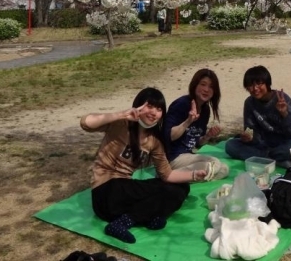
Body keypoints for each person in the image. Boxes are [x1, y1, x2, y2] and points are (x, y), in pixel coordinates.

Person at [80, 87, 207, 244]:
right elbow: (85, 122)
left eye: (159, 109)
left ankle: (135, 218)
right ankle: (131, 221)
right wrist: (120, 114)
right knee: (159, 189)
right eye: (150, 106)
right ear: (138, 105)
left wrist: (196, 175)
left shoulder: (153, 141)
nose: (153, 112)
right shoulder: (120, 124)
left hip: (122, 201)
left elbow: (167, 175)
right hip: (105, 192)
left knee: (182, 188)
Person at [225, 65, 291, 168]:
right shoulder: (249, 103)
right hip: (263, 145)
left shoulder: (282, 99)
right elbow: (251, 131)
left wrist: (284, 113)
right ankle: (275, 159)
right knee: (231, 146)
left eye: (259, 84)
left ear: (267, 83)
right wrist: (248, 138)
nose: (255, 89)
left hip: (284, 143)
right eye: (250, 85)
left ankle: (265, 159)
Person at [163, 68, 229, 180]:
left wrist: (208, 136)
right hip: (172, 158)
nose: (206, 89)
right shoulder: (182, 104)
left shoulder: (205, 110)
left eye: (211, 87)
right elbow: (168, 136)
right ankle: (168, 177)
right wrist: (188, 121)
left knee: (224, 169)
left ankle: (180, 178)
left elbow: (196, 143)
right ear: (195, 85)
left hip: (187, 156)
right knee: (213, 164)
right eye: (203, 84)